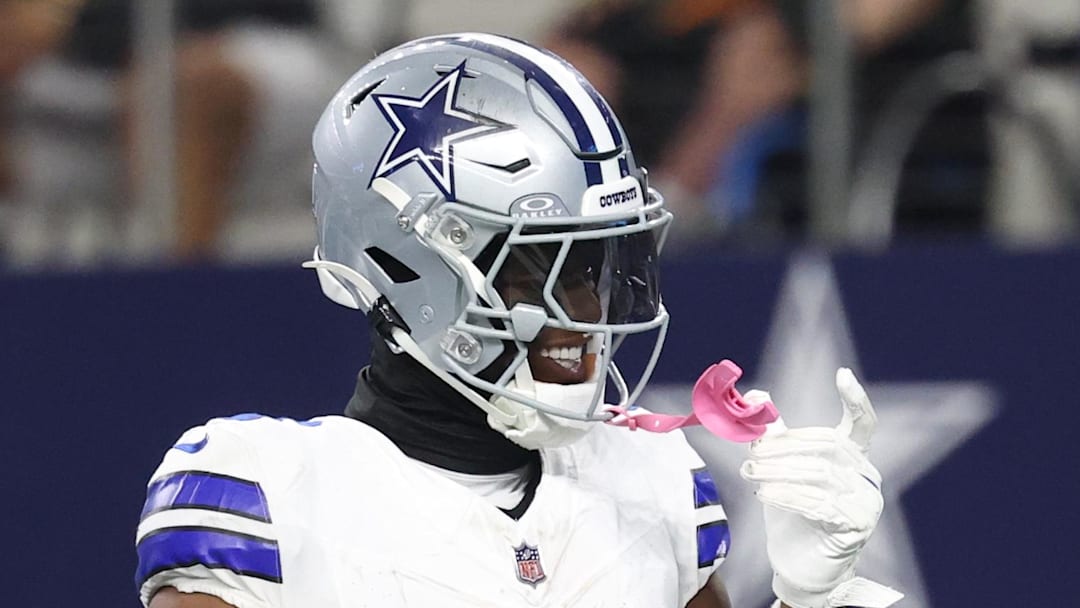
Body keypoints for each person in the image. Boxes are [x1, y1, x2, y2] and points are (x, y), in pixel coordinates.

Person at [134, 33, 902, 608]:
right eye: (538, 269)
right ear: (407, 265)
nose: (588, 311)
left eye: (597, 268)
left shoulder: (654, 482)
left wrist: (817, 600)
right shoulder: (265, 491)